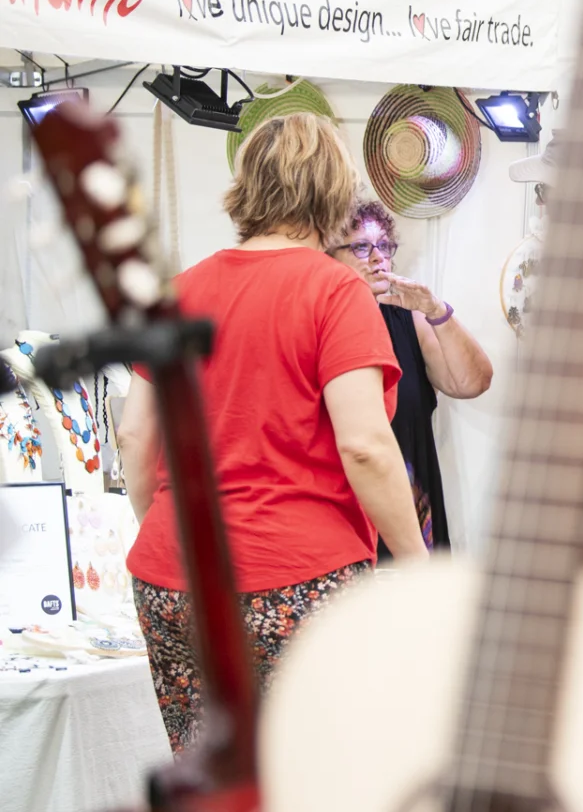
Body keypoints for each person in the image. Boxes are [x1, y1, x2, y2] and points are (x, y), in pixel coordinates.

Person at [117, 114, 426, 751]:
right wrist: (418, 565)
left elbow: (134, 437)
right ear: (332, 190)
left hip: (172, 577)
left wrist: (167, 531)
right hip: (295, 577)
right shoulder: (336, 292)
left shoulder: (177, 293)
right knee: (315, 772)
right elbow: (365, 445)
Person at [330, 200, 493, 553]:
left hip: (413, 515)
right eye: (361, 247)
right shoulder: (321, 328)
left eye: (384, 245)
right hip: (347, 520)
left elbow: (473, 382)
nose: (378, 258)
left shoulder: (408, 319)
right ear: (329, 258)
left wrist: (435, 310)